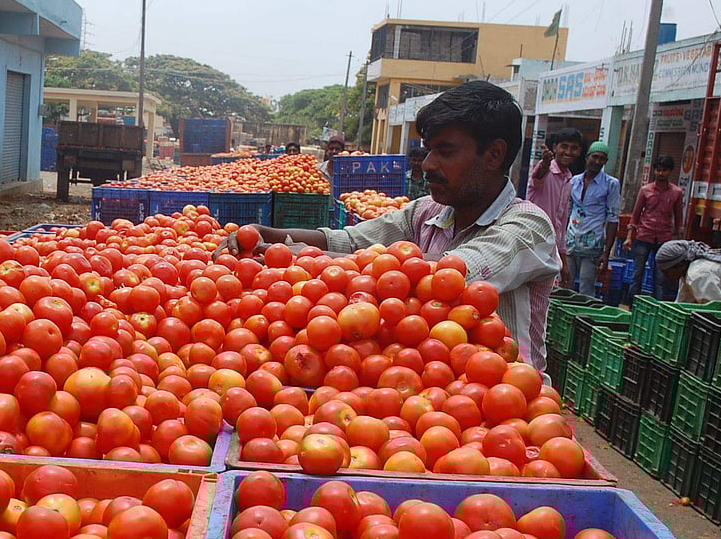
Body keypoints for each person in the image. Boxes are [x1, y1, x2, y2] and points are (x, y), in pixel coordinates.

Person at [219, 80, 560, 370]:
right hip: (431, 383)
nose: (427, 164)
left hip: (506, 395)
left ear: (493, 155)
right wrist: (267, 233)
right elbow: (350, 241)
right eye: (428, 150)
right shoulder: (427, 212)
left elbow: (445, 276)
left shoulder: (527, 226)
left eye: (444, 152)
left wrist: (298, 256)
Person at [526, 127, 583, 283]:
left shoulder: (568, 179)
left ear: (579, 151)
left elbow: (561, 225)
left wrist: (563, 262)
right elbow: (538, 176)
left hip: (549, 250)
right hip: (531, 245)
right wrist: (545, 164)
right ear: (555, 147)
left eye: (573, 148)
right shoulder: (546, 169)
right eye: (564, 146)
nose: (568, 152)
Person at [564, 141, 621, 298]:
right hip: (570, 241)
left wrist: (606, 253)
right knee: (564, 286)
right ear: (587, 157)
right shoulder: (574, 181)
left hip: (592, 245)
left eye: (601, 159)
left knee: (586, 289)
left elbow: (613, 219)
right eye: (594, 157)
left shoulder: (611, 184)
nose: (597, 161)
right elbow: (566, 212)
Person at [624, 155, 684, 302]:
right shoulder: (645, 190)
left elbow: (679, 219)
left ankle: (658, 305)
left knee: (660, 277)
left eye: (664, 170)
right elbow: (635, 215)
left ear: (670, 172)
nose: (660, 173)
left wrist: (680, 242)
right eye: (658, 170)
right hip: (644, 235)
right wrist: (629, 237)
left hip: (664, 239)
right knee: (637, 273)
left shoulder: (676, 193)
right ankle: (632, 304)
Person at [656, 240, 721, 303]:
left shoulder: (697, 274)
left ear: (681, 265)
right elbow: (683, 303)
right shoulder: (686, 274)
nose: (665, 276)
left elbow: (715, 309)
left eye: (666, 272)